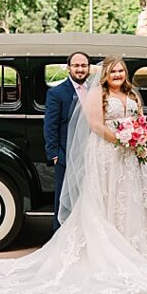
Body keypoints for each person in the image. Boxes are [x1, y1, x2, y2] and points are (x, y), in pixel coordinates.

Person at [0, 55, 147, 294]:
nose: (118, 75)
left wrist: (141, 137)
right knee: (107, 197)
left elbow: (140, 118)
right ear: (105, 75)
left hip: (130, 157)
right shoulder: (98, 94)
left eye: (121, 71)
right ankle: (110, 251)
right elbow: (96, 126)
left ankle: (134, 249)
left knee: (129, 199)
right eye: (113, 72)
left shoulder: (133, 95)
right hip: (109, 152)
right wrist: (124, 140)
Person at [44, 51, 91, 231]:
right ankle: (60, 237)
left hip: (90, 153)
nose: (80, 69)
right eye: (76, 66)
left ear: (88, 68)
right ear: (68, 68)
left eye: (83, 66)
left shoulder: (95, 90)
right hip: (66, 154)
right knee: (64, 199)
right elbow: (50, 125)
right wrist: (54, 155)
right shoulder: (57, 93)